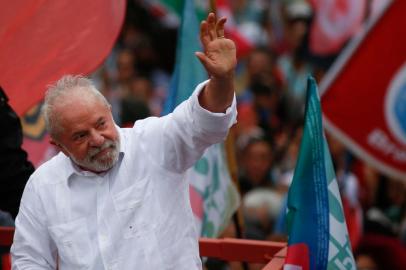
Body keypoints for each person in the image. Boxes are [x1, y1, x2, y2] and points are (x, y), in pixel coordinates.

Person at [11, 13, 237, 270]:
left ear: (110, 111)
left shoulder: (153, 142)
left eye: (100, 124)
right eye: (80, 136)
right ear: (58, 145)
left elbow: (204, 122)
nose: (97, 140)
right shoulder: (43, 186)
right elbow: (29, 260)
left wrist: (222, 81)